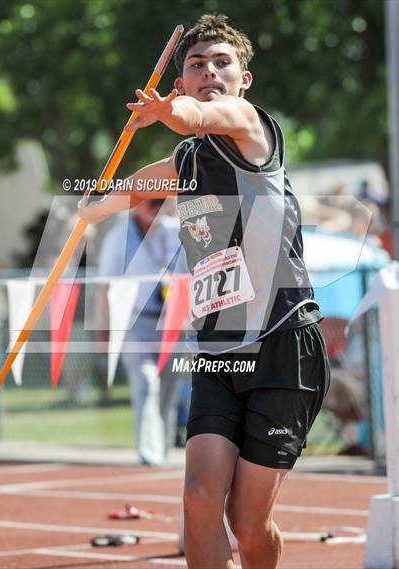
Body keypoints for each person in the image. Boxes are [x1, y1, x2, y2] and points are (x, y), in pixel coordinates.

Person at [78, 14, 330, 569]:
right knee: (197, 499)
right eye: (197, 65)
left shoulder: (246, 123)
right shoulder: (187, 159)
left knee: (247, 521)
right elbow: (145, 180)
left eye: (222, 63)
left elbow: (200, 117)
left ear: (244, 79)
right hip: (218, 351)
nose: (209, 71)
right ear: (181, 77)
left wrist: (170, 112)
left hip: (283, 344)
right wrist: (92, 208)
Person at [96, 199, 184, 466]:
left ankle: (162, 451)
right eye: (150, 204)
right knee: (145, 382)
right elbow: (103, 288)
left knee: (170, 388)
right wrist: (103, 332)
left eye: (161, 203)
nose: (156, 209)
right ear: (136, 206)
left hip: (172, 322)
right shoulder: (118, 237)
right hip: (135, 321)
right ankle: (149, 454)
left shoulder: (175, 230)